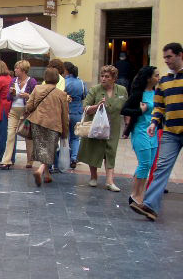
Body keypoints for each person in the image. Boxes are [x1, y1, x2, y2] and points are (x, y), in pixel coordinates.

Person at [132, 42, 183, 221]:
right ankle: (151, 206)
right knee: (161, 167)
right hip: (170, 131)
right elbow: (159, 106)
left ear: (180, 55)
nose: (166, 61)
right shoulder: (164, 82)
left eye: (169, 57)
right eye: (165, 58)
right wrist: (154, 122)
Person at [77, 65, 128, 192]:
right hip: (96, 126)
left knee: (111, 151)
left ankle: (110, 181)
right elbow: (85, 108)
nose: (103, 79)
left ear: (114, 78)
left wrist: (128, 125)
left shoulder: (122, 91)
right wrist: (97, 106)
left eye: (107, 76)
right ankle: (93, 176)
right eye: (102, 76)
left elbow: (126, 109)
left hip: (113, 127)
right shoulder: (95, 90)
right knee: (94, 150)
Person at [121, 66, 159, 206]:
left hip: (153, 133)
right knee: (144, 163)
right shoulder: (138, 94)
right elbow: (124, 109)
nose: (158, 77)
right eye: (156, 75)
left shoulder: (157, 93)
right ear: (149, 78)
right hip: (140, 131)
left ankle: (140, 194)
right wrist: (139, 110)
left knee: (149, 165)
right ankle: (135, 194)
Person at [25, 66, 69, 186]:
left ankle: (47, 175)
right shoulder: (61, 94)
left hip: (37, 122)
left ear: (45, 77)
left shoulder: (37, 88)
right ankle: (40, 171)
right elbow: (65, 115)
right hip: (53, 125)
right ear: (57, 79)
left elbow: (28, 106)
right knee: (50, 149)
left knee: (41, 148)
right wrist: (65, 132)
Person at [0, 60, 37, 170]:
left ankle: (30, 160)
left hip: (26, 111)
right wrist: (11, 94)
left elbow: (36, 98)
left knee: (27, 135)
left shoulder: (32, 81)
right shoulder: (13, 80)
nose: (15, 70)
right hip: (14, 111)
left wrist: (27, 96)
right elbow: (8, 98)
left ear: (24, 70)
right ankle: (6, 161)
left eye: (17, 68)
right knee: (10, 134)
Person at [64, 62, 87, 168]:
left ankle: (66, 157)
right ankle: (74, 158)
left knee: (66, 135)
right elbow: (84, 95)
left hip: (66, 111)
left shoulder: (64, 82)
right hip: (77, 111)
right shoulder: (81, 82)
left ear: (67, 71)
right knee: (75, 137)